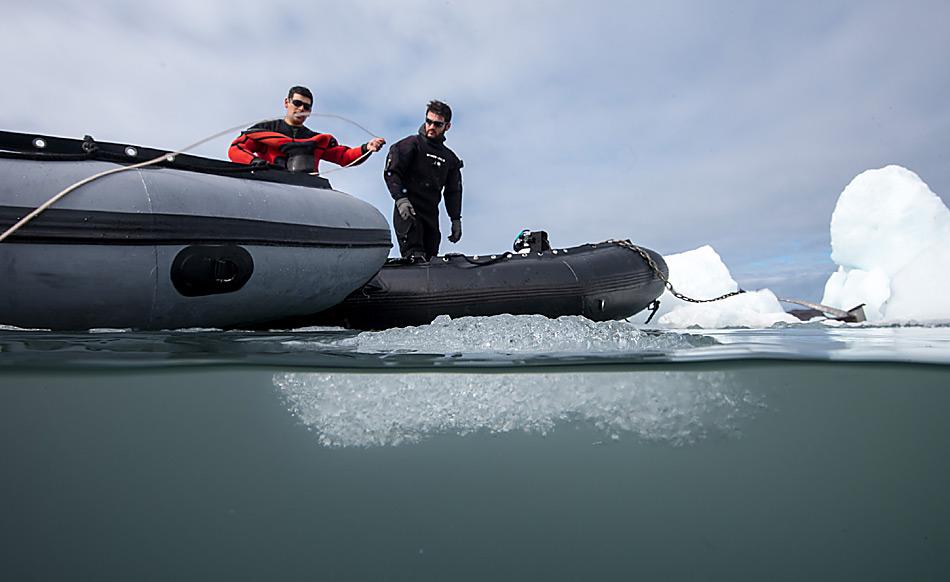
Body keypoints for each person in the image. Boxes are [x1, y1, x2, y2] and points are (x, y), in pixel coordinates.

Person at [228, 86, 385, 173]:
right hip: (270, 183)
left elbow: (344, 157)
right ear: (287, 103)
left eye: (307, 106)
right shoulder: (264, 130)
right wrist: (256, 163)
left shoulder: (317, 140)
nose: (301, 108)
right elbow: (236, 149)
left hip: (306, 190)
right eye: (297, 103)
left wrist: (367, 148)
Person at [384, 100, 463, 260]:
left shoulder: (450, 158)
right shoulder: (410, 145)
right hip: (409, 210)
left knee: (431, 258)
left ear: (447, 126)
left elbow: (453, 191)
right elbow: (392, 172)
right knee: (415, 256)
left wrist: (455, 219)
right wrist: (401, 199)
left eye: (437, 124)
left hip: (431, 214)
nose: (431, 127)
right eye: (429, 121)